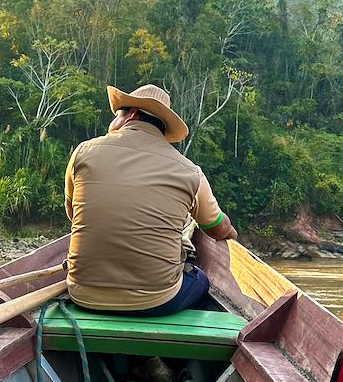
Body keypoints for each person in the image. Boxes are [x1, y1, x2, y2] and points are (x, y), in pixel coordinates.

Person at [63, 84, 238, 318]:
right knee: (200, 280)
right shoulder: (189, 171)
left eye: (116, 116)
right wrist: (231, 234)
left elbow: (74, 214)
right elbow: (218, 229)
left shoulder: (83, 153)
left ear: (132, 114)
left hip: (82, 293)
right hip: (156, 301)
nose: (111, 123)